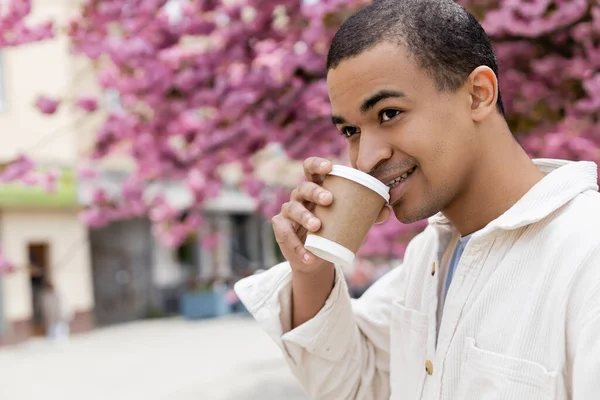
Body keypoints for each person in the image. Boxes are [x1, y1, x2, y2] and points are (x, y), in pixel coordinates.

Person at [234, 0, 600, 398]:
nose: (366, 158)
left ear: (478, 95)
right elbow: (352, 387)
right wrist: (313, 269)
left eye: (389, 114)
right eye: (351, 132)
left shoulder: (586, 255)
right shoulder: (426, 258)